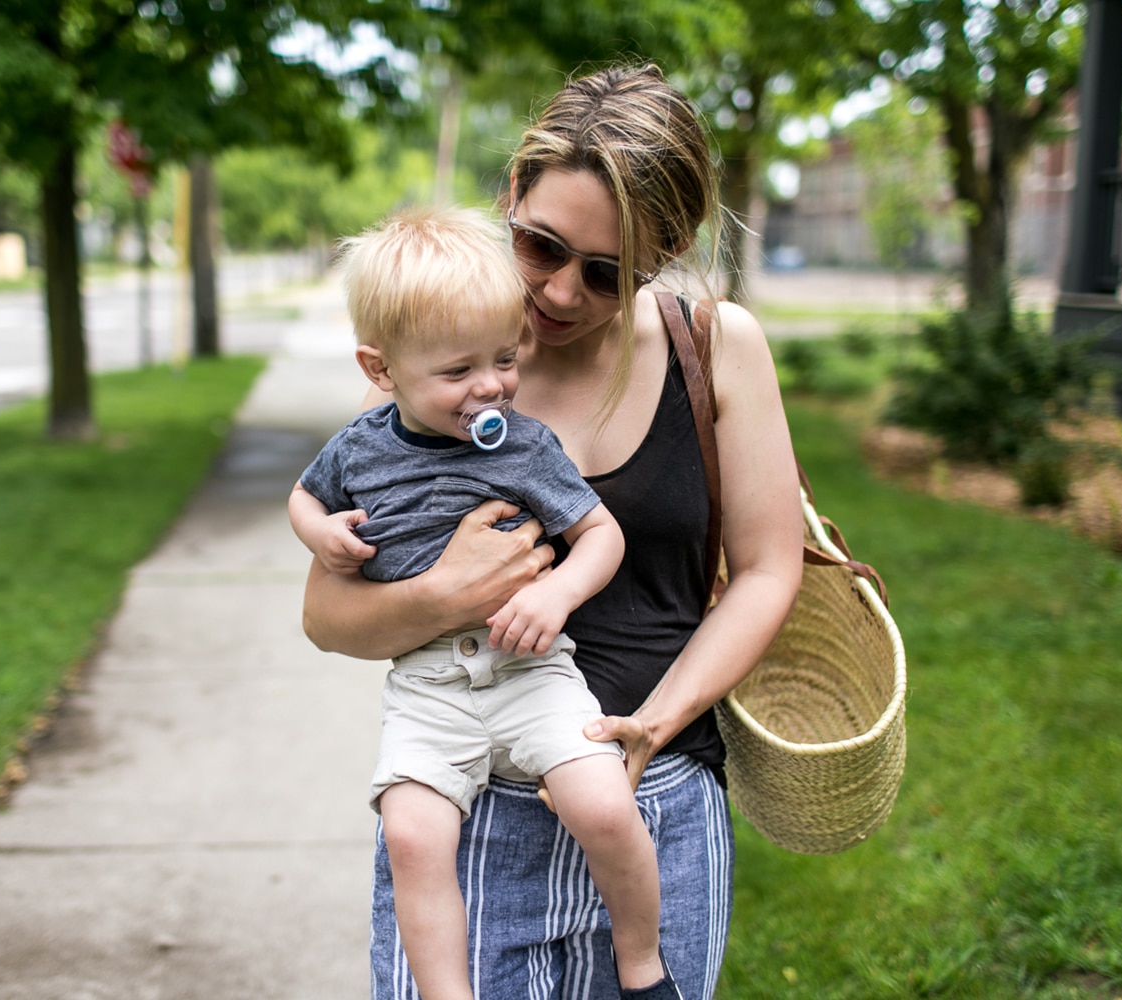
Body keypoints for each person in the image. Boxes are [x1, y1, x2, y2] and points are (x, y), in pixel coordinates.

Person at [301, 64, 804, 999]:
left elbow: (771, 572)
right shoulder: (445, 360)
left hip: (655, 808)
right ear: (510, 199)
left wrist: (658, 721)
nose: (564, 293)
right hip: (472, 817)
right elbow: (328, 615)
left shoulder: (716, 346)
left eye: (608, 272)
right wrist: (441, 596)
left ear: (671, 248)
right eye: (541, 247)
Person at [289, 205, 683, 1000]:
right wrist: (320, 535)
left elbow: (599, 534)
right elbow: (303, 498)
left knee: (604, 804)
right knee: (411, 832)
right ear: (381, 369)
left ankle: (643, 965)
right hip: (429, 686)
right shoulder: (359, 448)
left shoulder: (525, 446)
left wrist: (561, 590)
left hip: (531, 669)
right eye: (458, 371)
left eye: (504, 359)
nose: (491, 387)